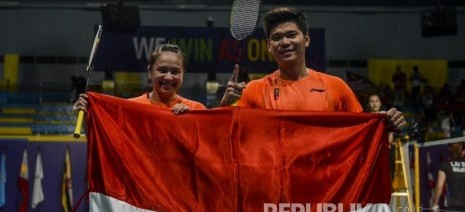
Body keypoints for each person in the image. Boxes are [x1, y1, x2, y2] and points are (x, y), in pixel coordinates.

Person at [220, 7, 406, 130]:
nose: (285, 42)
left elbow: (360, 130)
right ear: (269, 46)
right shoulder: (253, 90)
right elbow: (228, 133)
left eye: (292, 35)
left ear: (306, 39)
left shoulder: (336, 87)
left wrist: (383, 123)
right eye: (276, 38)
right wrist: (225, 106)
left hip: (324, 187)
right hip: (274, 186)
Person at [73, 43, 206, 115]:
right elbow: (108, 145)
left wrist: (190, 119)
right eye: (162, 70)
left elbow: (212, 149)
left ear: (183, 75)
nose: (168, 77)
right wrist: (84, 119)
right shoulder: (129, 108)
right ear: (150, 72)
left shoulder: (196, 109)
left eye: (175, 72)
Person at [367, 94, 395, 180]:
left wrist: (388, 142)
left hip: (385, 149)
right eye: (372, 101)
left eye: (377, 101)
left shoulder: (386, 117)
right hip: (371, 150)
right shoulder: (366, 118)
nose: (374, 104)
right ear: (368, 104)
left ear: (380, 103)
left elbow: (390, 133)